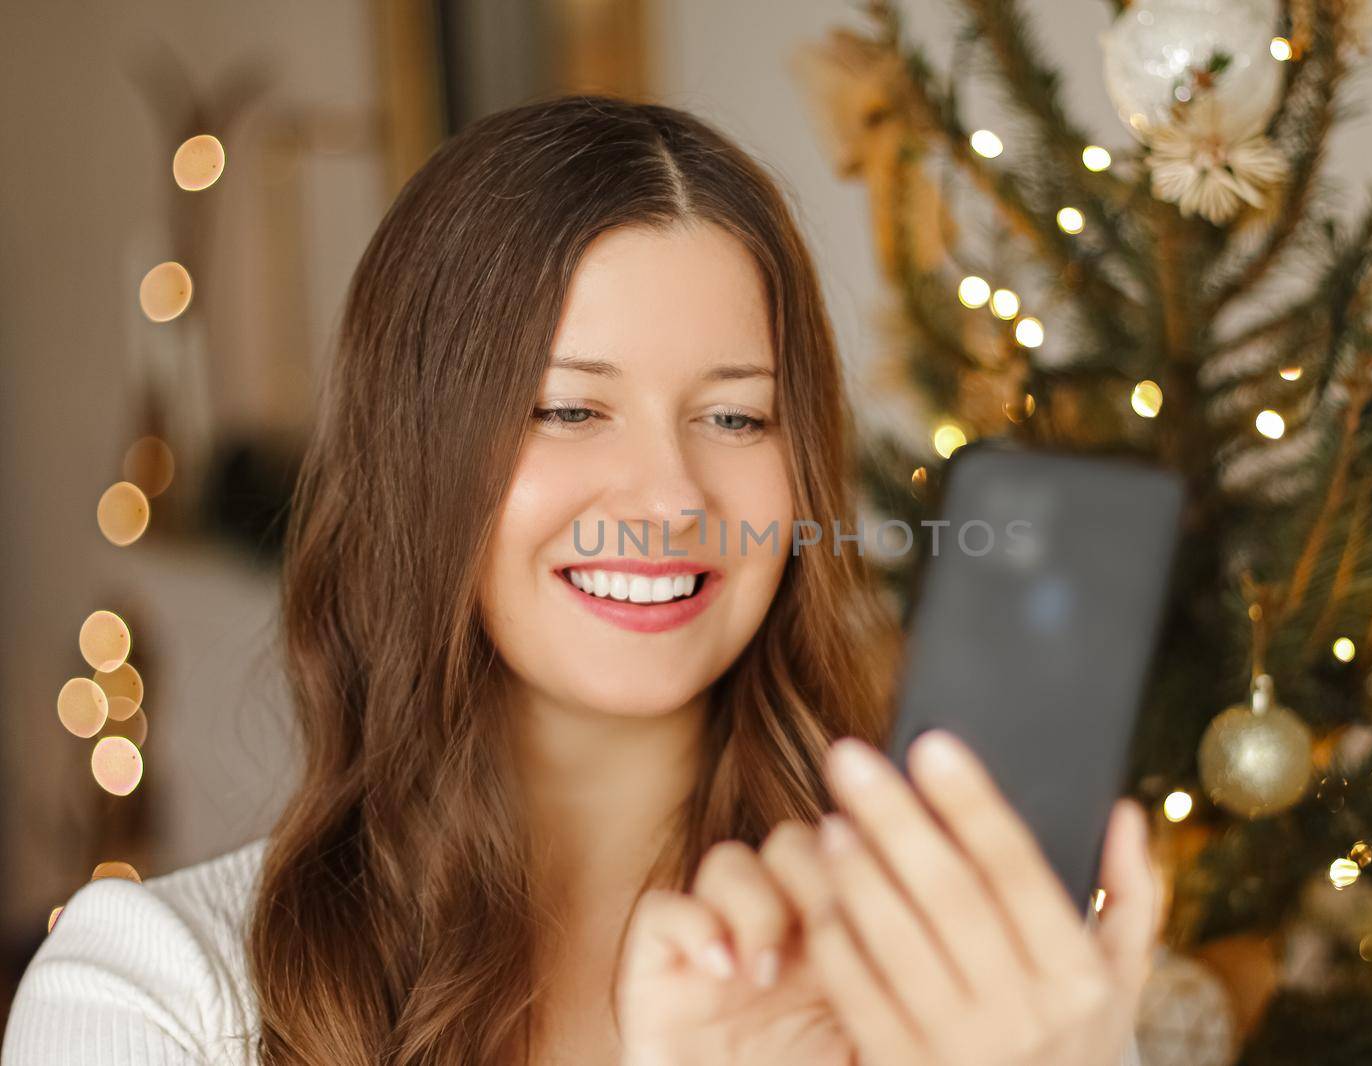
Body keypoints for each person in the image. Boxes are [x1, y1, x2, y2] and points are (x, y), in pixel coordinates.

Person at [3, 94, 1158, 1066]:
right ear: (416, 456)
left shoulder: (964, 989)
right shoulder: (151, 989)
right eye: (566, 407)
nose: (667, 498)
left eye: (735, 415)